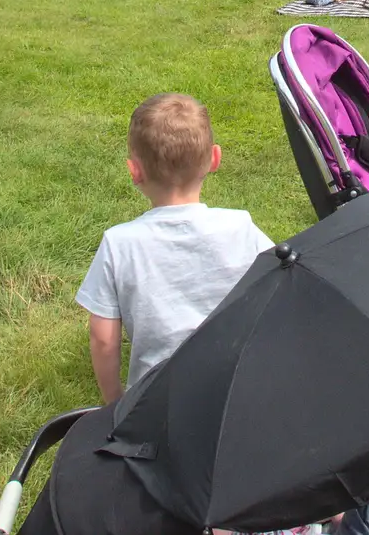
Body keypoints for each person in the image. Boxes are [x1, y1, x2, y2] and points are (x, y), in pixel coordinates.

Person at [75, 93, 274, 400]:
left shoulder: (119, 243)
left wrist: (114, 404)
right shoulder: (241, 227)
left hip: (155, 400)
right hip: (238, 389)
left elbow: (103, 340)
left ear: (135, 171)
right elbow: (278, 286)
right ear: (215, 159)